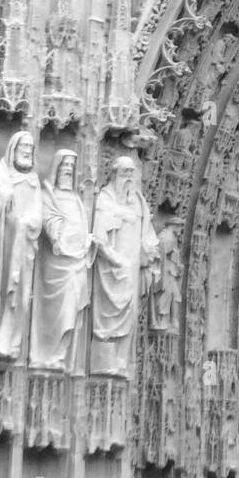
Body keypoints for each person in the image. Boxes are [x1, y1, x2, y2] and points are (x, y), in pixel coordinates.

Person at [90, 156, 160, 376]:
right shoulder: (105, 198)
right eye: (125, 172)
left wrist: (151, 254)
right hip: (112, 267)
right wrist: (116, 260)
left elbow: (147, 233)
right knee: (108, 316)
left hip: (132, 267)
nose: (129, 176)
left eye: (132, 172)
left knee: (130, 314)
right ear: (114, 173)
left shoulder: (138, 200)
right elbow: (99, 237)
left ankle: (121, 362)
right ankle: (103, 364)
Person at [0, 130, 45, 359]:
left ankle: (14, 342)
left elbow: (38, 210)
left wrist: (30, 222)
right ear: (13, 149)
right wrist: (6, 198)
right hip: (2, 244)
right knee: (0, 291)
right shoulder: (1, 172)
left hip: (24, 245)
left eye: (30, 148)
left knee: (20, 295)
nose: (27, 151)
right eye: (23, 147)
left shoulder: (34, 180)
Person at [30, 150, 90, 370]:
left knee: (72, 312)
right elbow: (47, 220)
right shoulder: (49, 195)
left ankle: (61, 355)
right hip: (56, 264)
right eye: (64, 166)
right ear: (56, 168)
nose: (68, 170)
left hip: (77, 262)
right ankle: (46, 355)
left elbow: (82, 225)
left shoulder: (76, 198)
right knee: (56, 313)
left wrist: (86, 241)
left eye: (71, 167)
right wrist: (57, 233)